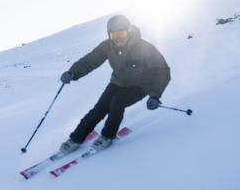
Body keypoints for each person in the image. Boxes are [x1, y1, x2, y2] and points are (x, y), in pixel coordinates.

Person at [59, 14, 171, 153]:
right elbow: (90, 61)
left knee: (117, 103)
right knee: (99, 109)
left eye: (122, 33)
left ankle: (107, 136)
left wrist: (155, 95)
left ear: (129, 32)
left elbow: (163, 71)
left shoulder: (144, 48)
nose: (119, 39)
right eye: (114, 35)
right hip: (118, 82)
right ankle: (76, 139)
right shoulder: (107, 46)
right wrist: (73, 72)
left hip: (141, 85)